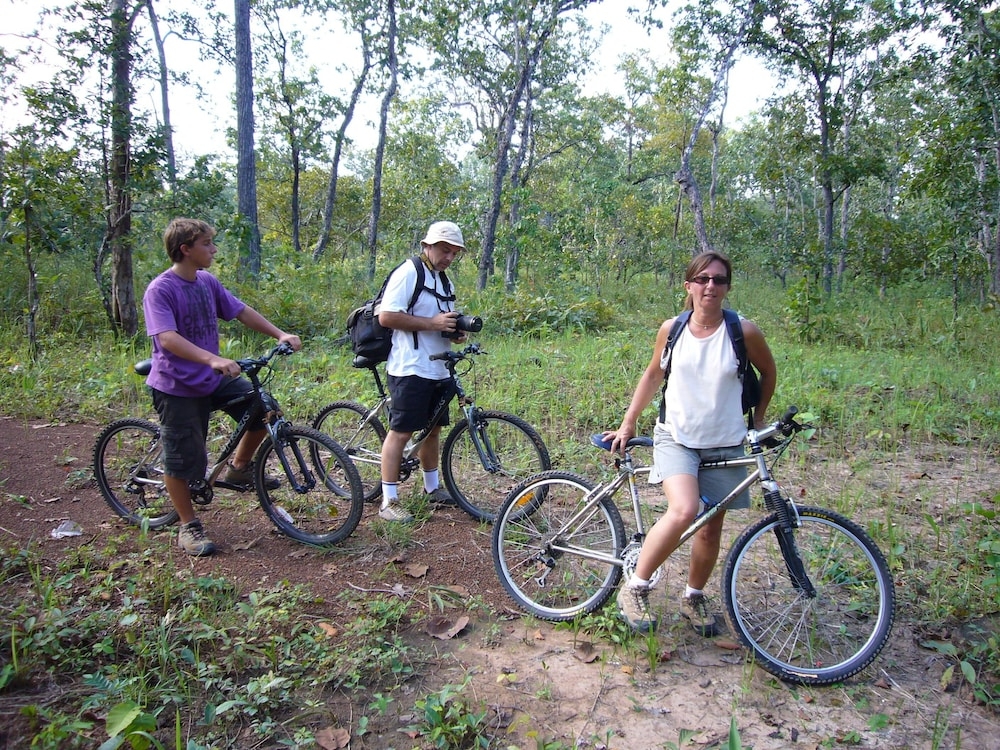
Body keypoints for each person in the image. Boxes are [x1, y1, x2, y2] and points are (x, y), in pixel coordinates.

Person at [603, 251, 776, 635]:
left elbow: (768, 372)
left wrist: (760, 418)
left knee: (710, 527)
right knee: (684, 509)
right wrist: (628, 423)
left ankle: (693, 597)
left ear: (727, 287)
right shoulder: (673, 329)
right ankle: (635, 588)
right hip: (676, 436)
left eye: (719, 279)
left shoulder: (743, 332)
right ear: (689, 285)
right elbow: (653, 374)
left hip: (725, 441)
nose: (710, 286)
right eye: (702, 279)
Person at [143, 218, 302, 556]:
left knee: (263, 408)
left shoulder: (206, 281)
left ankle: (239, 469)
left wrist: (280, 334)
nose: (214, 250)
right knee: (184, 460)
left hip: (212, 379)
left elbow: (240, 311)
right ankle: (188, 525)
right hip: (177, 386)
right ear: (186, 249)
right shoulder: (161, 289)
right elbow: (167, 338)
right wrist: (212, 359)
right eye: (207, 244)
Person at [376, 221, 469, 522]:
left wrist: (453, 332)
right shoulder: (409, 272)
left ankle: (432, 488)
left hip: (438, 367)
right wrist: (432, 324)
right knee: (401, 432)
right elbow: (387, 316)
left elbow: (440, 319)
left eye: (454, 253)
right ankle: (389, 501)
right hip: (410, 366)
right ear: (427, 246)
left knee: (433, 430)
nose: (449, 257)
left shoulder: (444, 281)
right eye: (444, 250)